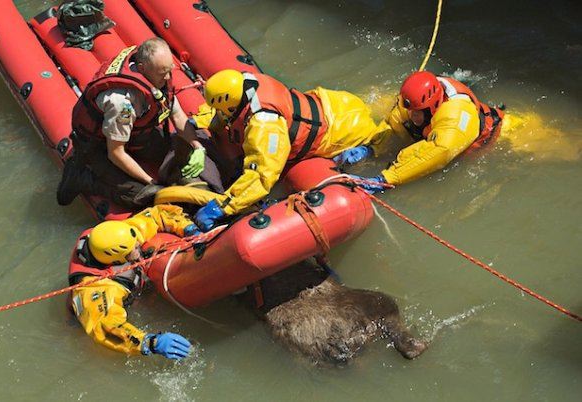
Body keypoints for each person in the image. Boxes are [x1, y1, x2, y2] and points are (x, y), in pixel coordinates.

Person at [192, 69, 385, 231]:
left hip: (344, 132)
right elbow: (221, 114)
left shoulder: (264, 123)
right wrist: (198, 122)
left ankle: (368, 149)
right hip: (336, 102)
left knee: (381, 143)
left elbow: (262, 176)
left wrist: (223, 207)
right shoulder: (247, 81)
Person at [57, 37, 221, 210]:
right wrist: (151, 182)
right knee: (143, 196)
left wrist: (197, 147)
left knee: (195, 141)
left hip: (135, 133)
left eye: (169, 71)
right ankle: (84, 178)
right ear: (142, 69)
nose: (167, 77)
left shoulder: (159, 76)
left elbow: (178, 116)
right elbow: (116, 153)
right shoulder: (122, 103)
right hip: (102, 146)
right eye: (162, 73)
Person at [68, 204, 201, 359]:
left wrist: (189, 228)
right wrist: (150, 342)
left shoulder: (117, 236)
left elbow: (156, 215)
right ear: (117, 259)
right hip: (88, 314)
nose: (139, 246)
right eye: (134, 250)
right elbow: (105, 326)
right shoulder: (97, 288)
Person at [337, 70, 505, 192]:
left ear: (433, 107)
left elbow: (435, 153)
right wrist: (370, 148)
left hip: (496, 133)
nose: (411, 116)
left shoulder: (455, 116)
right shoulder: (418, 102)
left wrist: (385, 179)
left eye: (417, 113)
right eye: (411, 111)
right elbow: (394, 122)